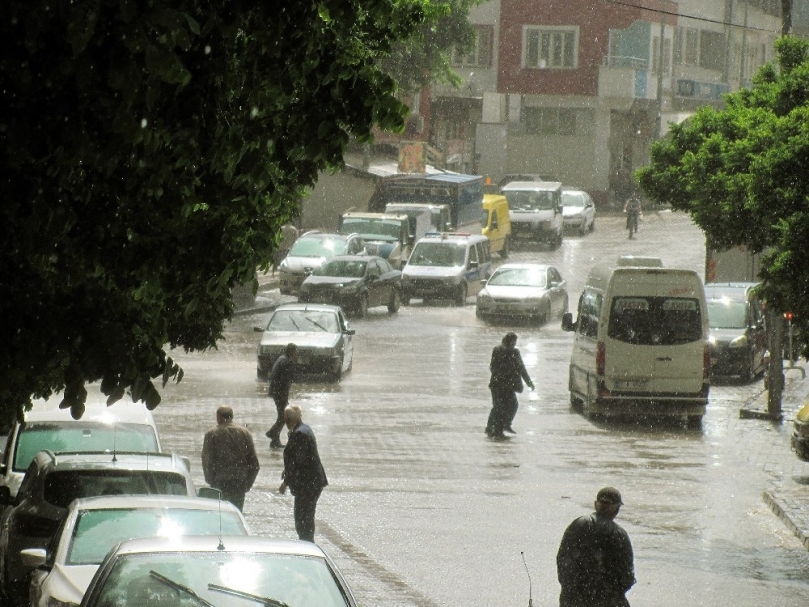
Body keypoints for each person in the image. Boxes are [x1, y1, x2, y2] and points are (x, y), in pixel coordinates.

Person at [556, 487, 636, 607]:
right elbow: (627, 576)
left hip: (573, 598)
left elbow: (563, 560)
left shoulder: (578, 524)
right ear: (616, 509)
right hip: (608, 600)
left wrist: (571, 588)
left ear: (595, 504)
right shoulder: (620, 534)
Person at [279, 404, 328, 542]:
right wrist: (286, 469)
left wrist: (286, 482)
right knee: (305, 516)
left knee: (303, 519)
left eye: (285, 418)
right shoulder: (303, 429)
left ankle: (307, 544)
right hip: (311, 481)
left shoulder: (300, 434)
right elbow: (298, 457)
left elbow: (299, 461)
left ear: (288, 419)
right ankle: (306, 542)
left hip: (308, 483)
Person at [201, 405, 260, 511]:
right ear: (231, 416)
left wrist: (211, 481)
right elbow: (254, 463)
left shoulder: (212, 434)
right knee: (236, 514)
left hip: (220, 482)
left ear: (219, 417)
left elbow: (207, 461)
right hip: (239, 482)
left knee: (220, 516)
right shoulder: (245, 433)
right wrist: (248, 483)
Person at [486, 332, 534, 438]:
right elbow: (520, 368)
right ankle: (498, 429)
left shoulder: (507, 351)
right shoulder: (506, 351)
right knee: (503, 407)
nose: (514, 344)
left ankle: (497, 427)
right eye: (513, 341)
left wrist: (528, 381)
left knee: (504, 406)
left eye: (515, 342)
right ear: (508, 341)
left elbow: (520, 368)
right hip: (502, 385)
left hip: (502, 385)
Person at [266, 343, 297, 449]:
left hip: (276, 392)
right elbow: (284, 381)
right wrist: (283, 396)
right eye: (296, 352)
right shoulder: (286, 363)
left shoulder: (282, 359)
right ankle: (272, 433)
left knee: (282, 416)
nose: (297, 355)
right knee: (284, 417)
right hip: (279, 393)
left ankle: (274, 440)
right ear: (292, 352)